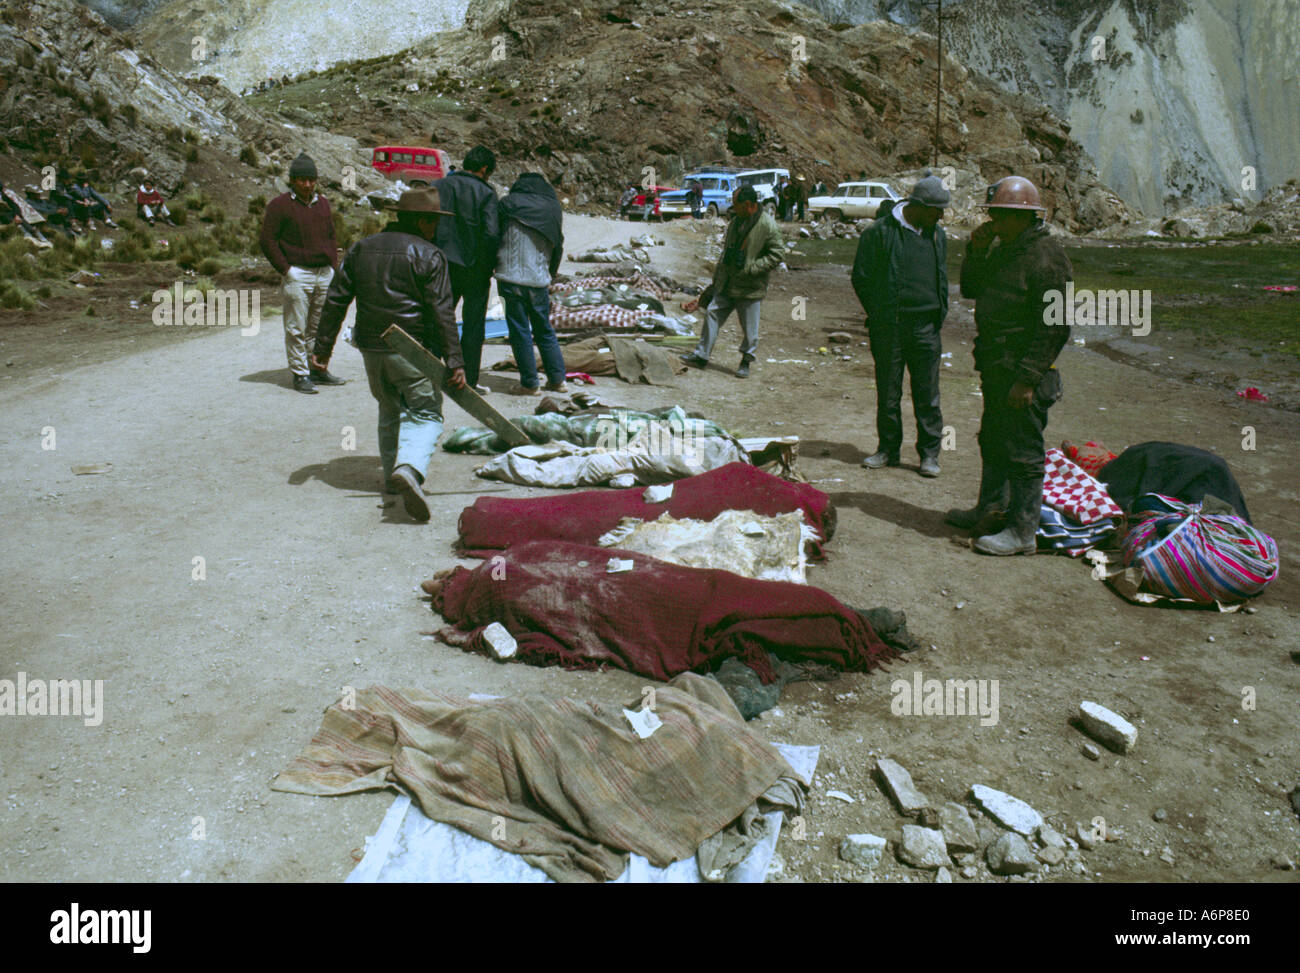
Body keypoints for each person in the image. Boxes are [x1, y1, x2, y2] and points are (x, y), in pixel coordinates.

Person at [311, 188, 467, 523]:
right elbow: (443, 313)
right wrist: (456, 361)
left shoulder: (360, 249)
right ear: (423, 221)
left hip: (371, 347)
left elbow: (336, 300)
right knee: (425, 413)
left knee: (389, 408)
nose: (436, 228)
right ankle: (408, 470)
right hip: (413, 349)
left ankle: (391, 479)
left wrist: (322, 350)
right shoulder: (429, 254)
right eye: (434, 221)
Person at [948, 175, 1073, 555]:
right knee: (993, 439)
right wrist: (977, 251)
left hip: (1022, 373)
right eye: (993, 215)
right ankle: (990, 510)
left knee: (1023, 450)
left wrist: (1028, 378)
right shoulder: (1007, 249)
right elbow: (971, 288)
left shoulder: (1048, 258)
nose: (993, 222)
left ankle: (1022, 532)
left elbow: (1056, 326)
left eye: (1000, 215)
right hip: (997, 366)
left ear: (1026, 217)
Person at [852, 173, 951, 478]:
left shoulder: (937, 234)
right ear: (918, 205)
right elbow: (861, 278)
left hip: (926, 328)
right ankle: (888, 449)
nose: (941, 216)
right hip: (889, 328)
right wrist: (880, 314)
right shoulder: (878, 234)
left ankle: (929, 454)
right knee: (889, 391)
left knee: (928, 395)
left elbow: (941, 276)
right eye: (937, 210)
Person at [679, 185, 786, 379]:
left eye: (735, 204)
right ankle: (702, 355)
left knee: (750, 330)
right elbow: (726, 252)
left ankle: (746, 359)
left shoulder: (768, 225)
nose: (732, 208)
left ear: (748, 204)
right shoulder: (736, 222)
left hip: (750, 286)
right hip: (727, 282)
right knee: (712, 313)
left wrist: (752, 268)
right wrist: (717, 280)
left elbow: (777, 254)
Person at [259, 153, 344, 394]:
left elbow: (331, 235)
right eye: (301, 180)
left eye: (311, 180)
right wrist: (286, 269)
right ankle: (300, 373)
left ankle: (317, 368)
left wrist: (332, 263)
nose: (307, 184)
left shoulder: (324, 203)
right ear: (293, 181)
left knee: (319, 325)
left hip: (323, 272)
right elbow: (267, 240)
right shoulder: (280, 205)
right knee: (296, 326)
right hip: (298, 273)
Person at [431, 145, 499, 394]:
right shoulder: (486, 193)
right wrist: (487, 265)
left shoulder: (438, 186)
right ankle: (468, 380)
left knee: (438, 317)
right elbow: (491, 234)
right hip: (474, 270)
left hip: (440, 265)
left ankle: (428, 371)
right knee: (472, 325)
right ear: (484, 169)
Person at [495, 173, 567, 395]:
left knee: (519, 330)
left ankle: (530, 383)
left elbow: (493, 235)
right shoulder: (554, 209)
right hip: (538, 281)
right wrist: (550, 274)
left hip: (508, 280)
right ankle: (557, 380)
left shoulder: (507, 203)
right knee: (544, 328)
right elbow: (558, 245)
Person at [1, 181, 53, 248]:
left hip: (11, 215)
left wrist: (16, 215)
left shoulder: (5, 195)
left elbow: (14, 205)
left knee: (21, 221)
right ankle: (30, 238)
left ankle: (39, 238)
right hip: (5, 217)